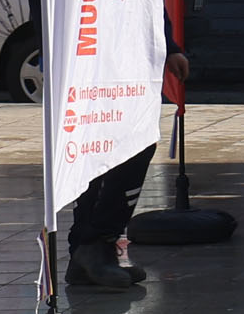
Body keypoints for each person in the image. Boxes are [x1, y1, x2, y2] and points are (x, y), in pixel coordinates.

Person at [65, 17, 188, 290]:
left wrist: (169, 46)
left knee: (137, 146)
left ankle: (99, 246)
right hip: (91, 61)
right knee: (98, 153)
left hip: (133, 65)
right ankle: (89, 247)